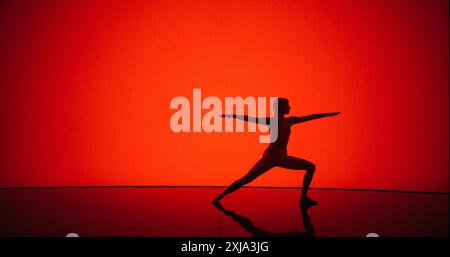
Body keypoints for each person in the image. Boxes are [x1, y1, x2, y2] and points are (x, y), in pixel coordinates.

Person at [212, 98, 340, 207]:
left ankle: (303, 199)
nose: (290, 107)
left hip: (282, 156)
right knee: (246, 179)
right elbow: (248, 118)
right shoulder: (271, 121)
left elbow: (310, 117)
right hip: (270, 157)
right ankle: (219, 197)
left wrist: (328, 114)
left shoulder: (289, 121)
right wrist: (231, 115)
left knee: (311, 166)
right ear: (280, 108)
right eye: (287, 105)